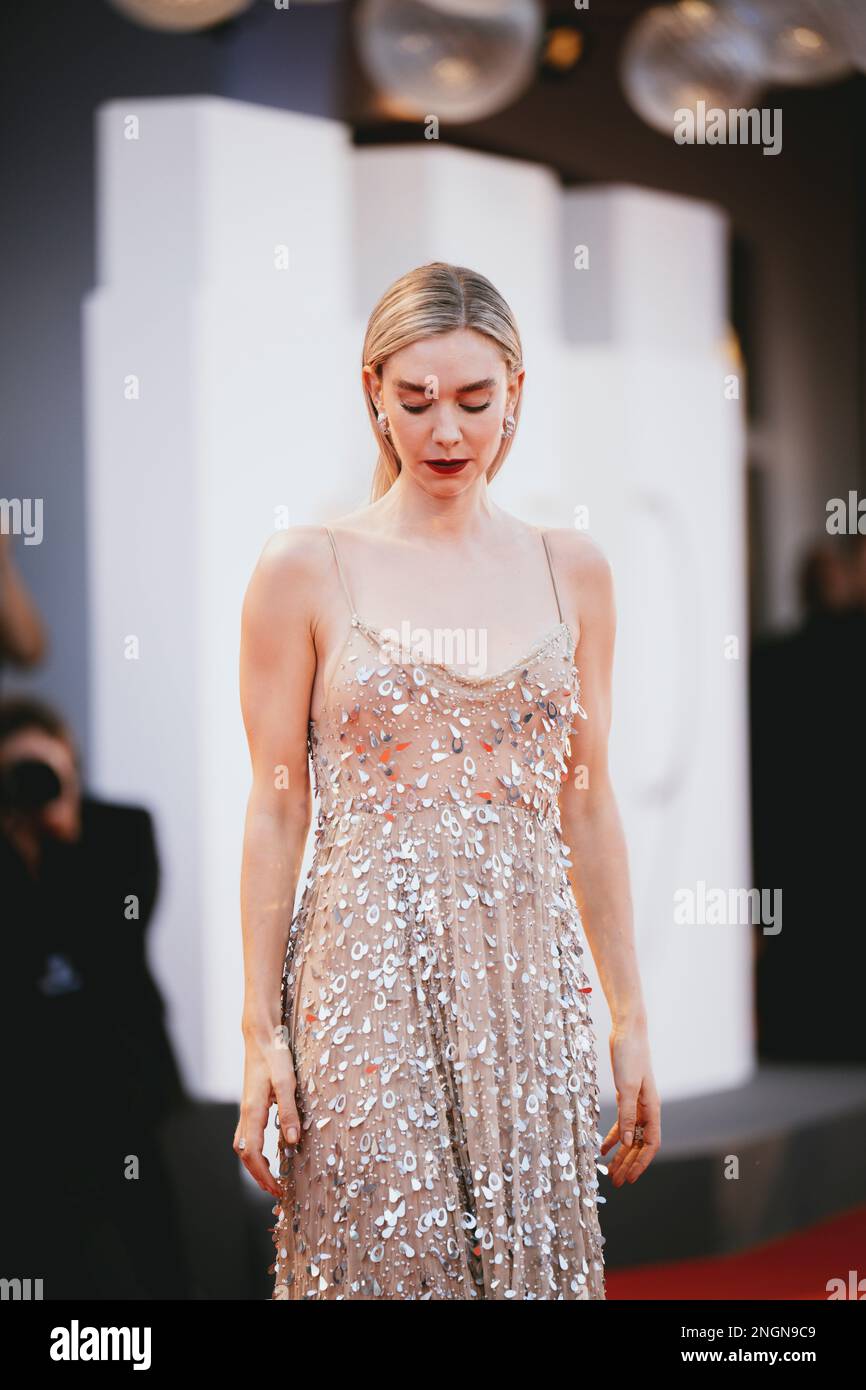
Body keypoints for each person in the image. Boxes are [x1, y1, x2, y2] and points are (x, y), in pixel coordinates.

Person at [236, 262, 660, 1301]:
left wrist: (629, 1013)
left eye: (474, 401)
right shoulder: (305, 565)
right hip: (359, 973)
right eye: (416, 401)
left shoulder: (575, 568)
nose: (445, 433)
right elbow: (277, 803)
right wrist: (261, 1032)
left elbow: (587, 799)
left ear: (516, 391)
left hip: (524, 972)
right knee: (386, 1257)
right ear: (371, 389)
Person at [0, 695, 193, 1297]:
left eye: (45, 766)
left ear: (71, 760)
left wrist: (64, 837)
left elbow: (117, 948)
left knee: (153, 1250)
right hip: (29, 1097)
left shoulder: (122, 829)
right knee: (47, 1258)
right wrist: (22, 858)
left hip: (123, 1081)